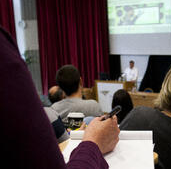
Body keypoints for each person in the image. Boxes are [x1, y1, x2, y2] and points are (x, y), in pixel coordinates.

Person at [0, 25, 120, 168]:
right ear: (81, 81)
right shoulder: (93, 105)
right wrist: (92, 142)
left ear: (59, 87)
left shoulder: (54, 109)